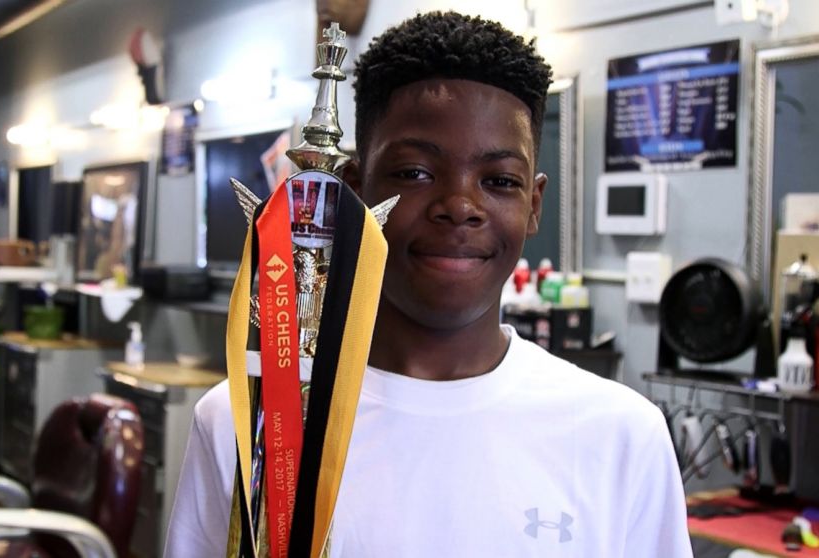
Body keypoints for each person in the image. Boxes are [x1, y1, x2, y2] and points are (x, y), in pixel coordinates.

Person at [166, 11, 692, 558]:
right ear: (355, 191)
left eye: (499, 181)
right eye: (415, 172)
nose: (460, 206)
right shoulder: (247, 419)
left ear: (533, 205)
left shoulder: (621, 436)